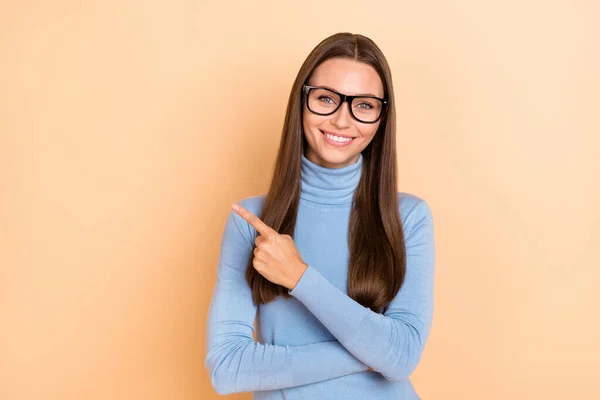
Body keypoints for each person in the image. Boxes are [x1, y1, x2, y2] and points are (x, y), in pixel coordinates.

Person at [205, 32, 435, 399]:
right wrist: (376, 351)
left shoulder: (408, 217)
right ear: (302, 102)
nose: (342, 120)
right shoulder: (252, 220)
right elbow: (227, 369)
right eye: (326, 99)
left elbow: (404, 356)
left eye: (364, 105)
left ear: (381, 117)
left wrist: (300, 278)